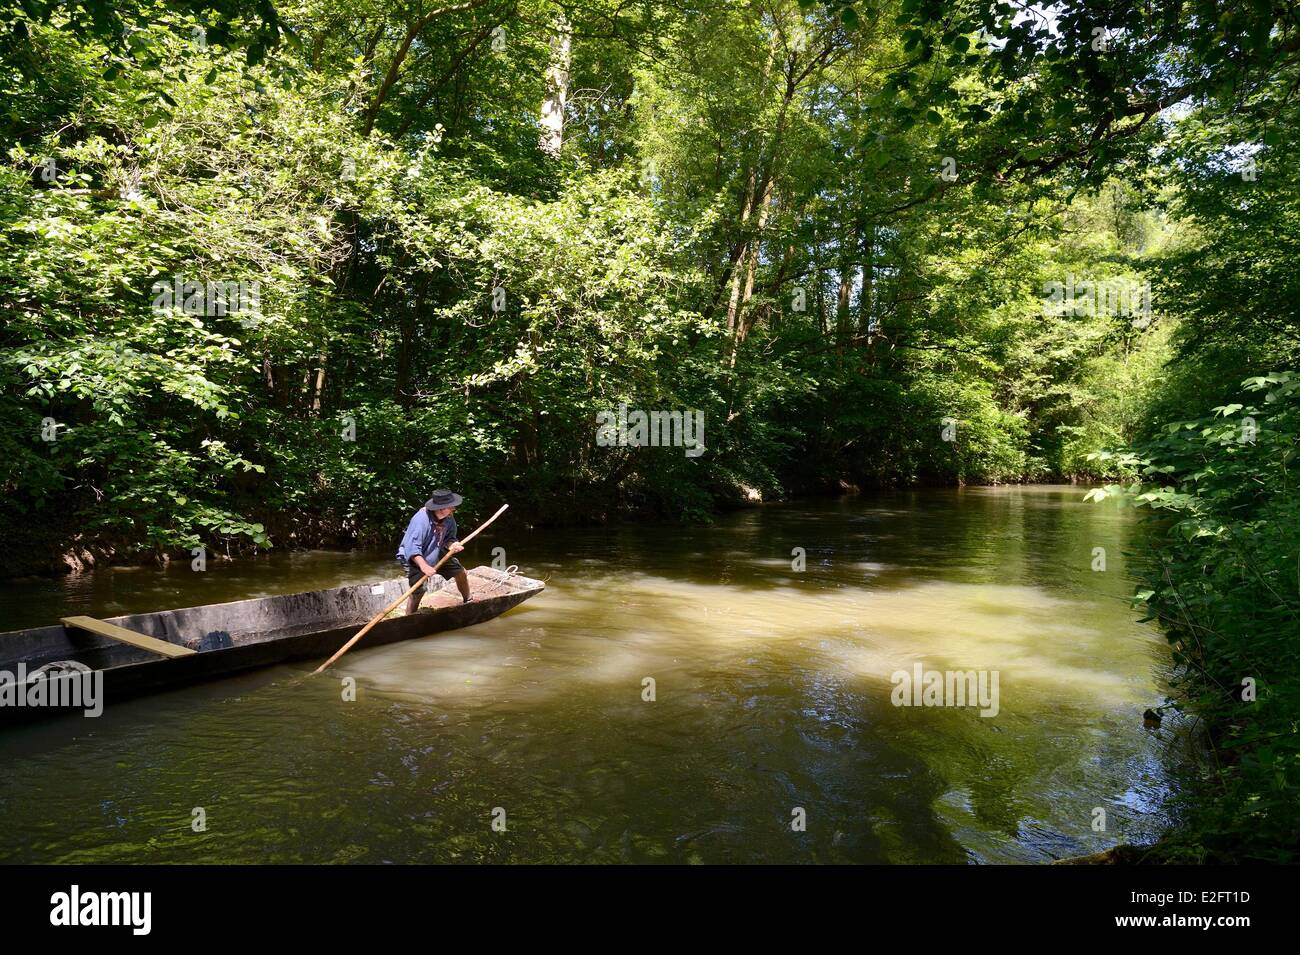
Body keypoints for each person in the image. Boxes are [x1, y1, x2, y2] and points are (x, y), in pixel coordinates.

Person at [396, 489, 470, 614]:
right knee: (418, 590)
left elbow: (449, 538)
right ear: (441, 508)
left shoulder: (449, 518)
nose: (454, 509)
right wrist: (424, 566)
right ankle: (409, 617)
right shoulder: (421, 520)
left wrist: (452, 545)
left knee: (460, 572)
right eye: (451, 507)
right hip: (415, 557)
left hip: (436, 551)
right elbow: (412, 548)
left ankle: (468, 600)